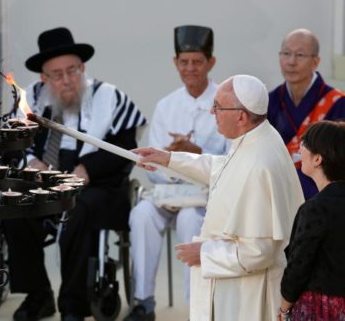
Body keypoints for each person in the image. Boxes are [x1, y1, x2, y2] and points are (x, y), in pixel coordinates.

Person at [2, 27, 147, 321]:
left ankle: (73, 306)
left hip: (97, 186)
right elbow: (9, 145)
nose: (67, 80)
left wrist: (87, 169)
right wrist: (30, 162)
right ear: (44, 77)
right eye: (57, 74)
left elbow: (125, 146)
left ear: (83, 68)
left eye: (73, 70)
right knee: (11, 206)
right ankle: (38, 295)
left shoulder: (109, 97)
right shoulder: (28, 100)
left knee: (78, 209)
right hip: (44, 181)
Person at [133, 75, 304, 321]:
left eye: (218, 107)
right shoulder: (258, 137)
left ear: (241, 116)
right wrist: (168, 159)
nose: (212, 112)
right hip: (240, 288)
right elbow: (222, 167)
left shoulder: (258, 164)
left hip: (247, 296)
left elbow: (260, 251)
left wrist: (204, 254)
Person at [124, 25, 227, 321]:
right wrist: (170, 163)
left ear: (211, 62)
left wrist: (196, 155)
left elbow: (232, 161)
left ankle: (197, 306)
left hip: (206, 198)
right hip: (168, 193)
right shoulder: (166, 105)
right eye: (184, 62)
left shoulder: (226, 100)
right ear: (175, 63)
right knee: (141, 215)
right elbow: (152, 167)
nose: (190, 68)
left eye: (197, 62)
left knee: (188, 220)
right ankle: (143, 302)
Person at [277, 121, 345, 320]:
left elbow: (298, 266)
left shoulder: (315, 209)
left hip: (323, 309)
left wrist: (284, 308)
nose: (299, 149)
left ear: (317, 159)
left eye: (304, 144)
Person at [267, 28, 345, 200]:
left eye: (300, 55)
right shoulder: (270, 101)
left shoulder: (338, 103)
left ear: (316, 62)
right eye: (286, 53)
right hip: (276, 191)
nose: (291, 62)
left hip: (322, 197)